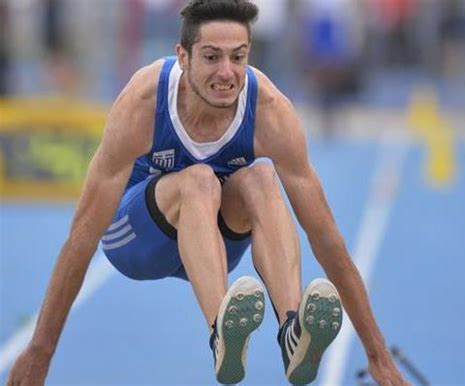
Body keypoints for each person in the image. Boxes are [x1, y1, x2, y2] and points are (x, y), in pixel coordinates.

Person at [7, 1, 408, 385]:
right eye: (212, 57)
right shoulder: (144, 102)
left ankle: (291, 331)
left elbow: (326, 238)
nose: (227, 72)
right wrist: (40, 351)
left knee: (262, 179)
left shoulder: (269, 111)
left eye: (238, 56)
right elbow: (82, 237)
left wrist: (377, 354)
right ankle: (222, 331)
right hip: (135, 237)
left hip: (214, 244)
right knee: (198, 178)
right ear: (183, 57)